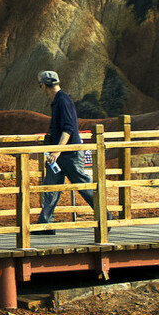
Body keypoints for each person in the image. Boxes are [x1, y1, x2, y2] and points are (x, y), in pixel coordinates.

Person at [34, 70, 111, 234]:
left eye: (40, 84)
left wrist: (57, 151)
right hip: (60, 154)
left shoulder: (63, 101)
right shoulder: (57, 101)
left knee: (83, 186)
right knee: (51, 187)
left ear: (44, 85)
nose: (40, 87)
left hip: (69, 153)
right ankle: (46, 225)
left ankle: (106, 218)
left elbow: (68, 129)